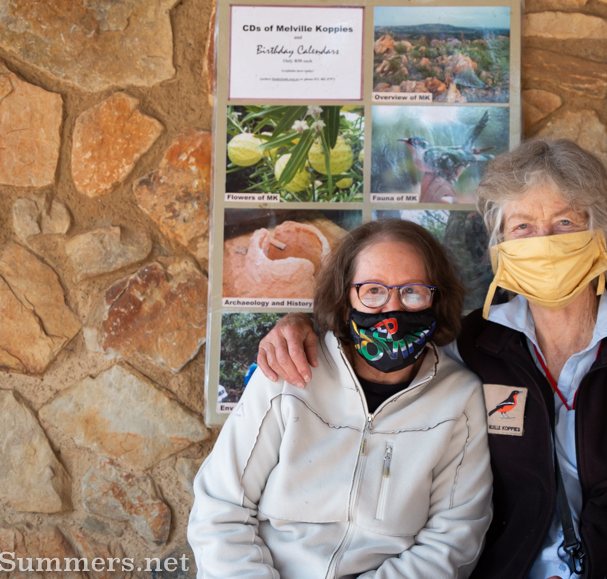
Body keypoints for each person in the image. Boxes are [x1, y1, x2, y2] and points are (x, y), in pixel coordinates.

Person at [257, 139, 607, 578]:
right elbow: (376, 336)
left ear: (603, 234)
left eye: (565, 223)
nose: (543, 243)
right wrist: (300, 325)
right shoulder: (463, 346)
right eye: (523, 226)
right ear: (499, 244)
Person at [189, 219, 493, 579]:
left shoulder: (459, 398)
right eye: (373, 291)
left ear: (436, 298)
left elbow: (453, 541)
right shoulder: (291, 373)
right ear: (346, 300)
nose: (391, 311)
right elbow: (220, 510)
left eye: (412, 291)